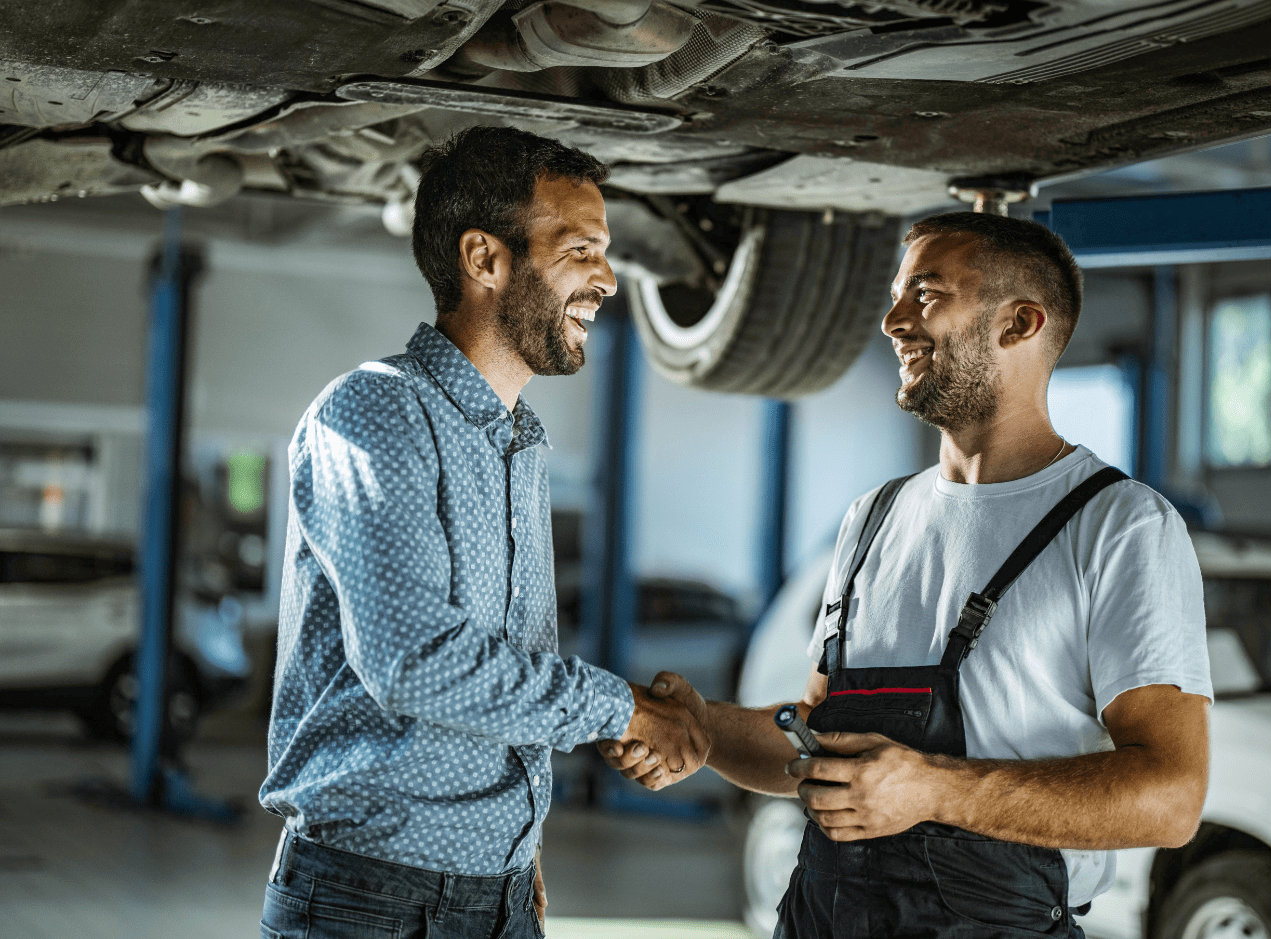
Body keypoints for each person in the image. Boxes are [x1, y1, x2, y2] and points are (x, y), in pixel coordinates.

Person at [604, 212, 1214, 938]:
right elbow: (817, 738)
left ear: (1019, 323)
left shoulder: (1119, 525)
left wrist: (932, 791)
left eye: (925, 295)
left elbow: (1170, 798)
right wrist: (702, 728)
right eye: (896, 297)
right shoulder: (873, 516)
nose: (892, 322)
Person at [258, 126, 708, 939]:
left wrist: (512, 838)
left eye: (605, 253)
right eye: (580, 250)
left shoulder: (520, 439)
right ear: (484, 258)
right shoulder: (375, 408)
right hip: (370, 900)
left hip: (497, 890)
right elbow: (413, 660)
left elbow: (502, 667)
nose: (607, 280)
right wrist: (623, 710)